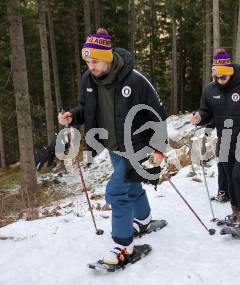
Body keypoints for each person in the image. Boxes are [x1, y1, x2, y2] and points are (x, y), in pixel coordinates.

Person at [57, 28, 168, 266]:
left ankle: (123, 246)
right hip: (112, 146)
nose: (91, 66)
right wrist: (72, 117)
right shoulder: (89, 79)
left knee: (116, 192)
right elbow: (86, 108)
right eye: (87, 61)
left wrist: (159, 149)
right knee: (131, 187)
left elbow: (157, 115)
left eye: (95, 60)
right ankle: (145, 221)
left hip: (137, 146)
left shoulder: (135, 80)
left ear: (107, 57)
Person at [191, 48, 240, 235]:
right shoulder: (210, 90)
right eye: (216, 77)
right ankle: (235, 212)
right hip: (225, 140)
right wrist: (199, 117)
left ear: (230, 72)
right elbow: (206, 112)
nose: (219, 81)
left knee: (238, 176)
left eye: (223, 77)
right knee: (228, 178)